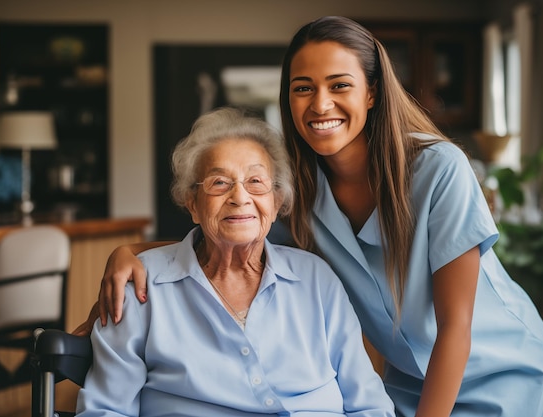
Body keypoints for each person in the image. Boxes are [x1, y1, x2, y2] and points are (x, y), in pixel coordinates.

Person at [77, 16, 543, 417]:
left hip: (493, 367)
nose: (320, 104)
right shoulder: (299, 193)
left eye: (339, 85)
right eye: (303, 88)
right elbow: (232, 233)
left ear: (371, 93)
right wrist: (131, 252)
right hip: (410, 377)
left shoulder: (437, 170)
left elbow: (456, 325)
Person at [75, 107, 395, 417]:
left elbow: (367, 402)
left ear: (276, 201)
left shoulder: (316, 278)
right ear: (193, 205)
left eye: (256, 182)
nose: (240, 197)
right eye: (219, 183)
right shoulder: (143, 286)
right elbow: (106, 409)